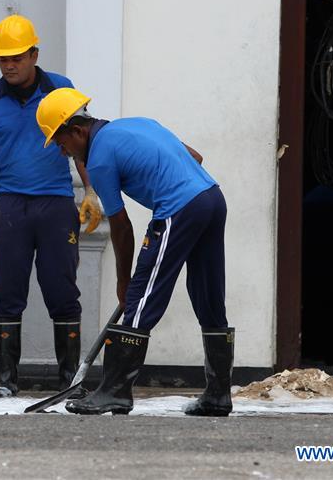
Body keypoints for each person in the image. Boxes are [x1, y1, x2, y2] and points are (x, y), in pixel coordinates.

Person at [36, 87, 234, 416]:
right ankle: (218, 395)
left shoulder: (98, 160)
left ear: (78, 131)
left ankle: (115, 391)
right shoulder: (137, 124)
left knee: (142, 297)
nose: (63, 152)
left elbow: (121, 225)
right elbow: (195, 157)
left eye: (61, 143)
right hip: (212, 199)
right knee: (208, 296)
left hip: (180, 208)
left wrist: (124, 282)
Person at [0, 14, 102, 398]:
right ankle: (7, 380)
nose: (9, 65)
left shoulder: (61, 89)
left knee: (62, 289)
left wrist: (91, 192)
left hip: (57, 204)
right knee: (7, 289)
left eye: (17, 57)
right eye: (3, 59)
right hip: (11, 205)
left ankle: (69, 381)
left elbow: (81, 142)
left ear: (34, 54)